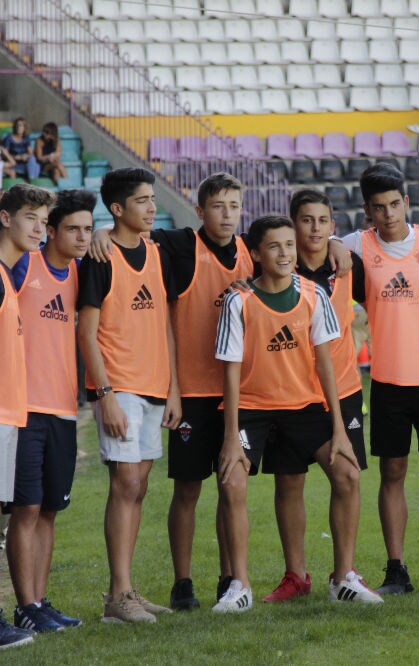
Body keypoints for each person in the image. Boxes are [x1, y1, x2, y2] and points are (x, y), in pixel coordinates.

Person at [88, 172, 352, 609]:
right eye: (217, 206)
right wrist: (100, 231)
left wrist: (337, 244)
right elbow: (128, 234)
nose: (227, 215)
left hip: (243, 393)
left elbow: (304, 248)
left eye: (234, 206)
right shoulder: (177, 246)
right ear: (200, 209)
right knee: (188, 489)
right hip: (191, 390)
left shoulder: (254, 248)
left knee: (232, 484)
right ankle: (183, 582)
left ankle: (231, 579)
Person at [0, 190, 95, 632]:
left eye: (42, 220)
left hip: (15, 411)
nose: (37, 228)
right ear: (5, 217)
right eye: (31, 218)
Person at [214, 215, 380, 612]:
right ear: (256, 253)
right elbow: (231, 373)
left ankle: (343, 579)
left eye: (289, 245)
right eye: (274, 246)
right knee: (233, 482)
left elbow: (326, 364)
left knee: (347, 472)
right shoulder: (238, 301)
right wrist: (231, 437)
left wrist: (339, 429)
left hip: (304, 406)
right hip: (253, 409)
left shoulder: (312, 293)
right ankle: (240, 586)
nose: (285, 253)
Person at [341, 163, 419, 595]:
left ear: (406, 202)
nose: (389, 213)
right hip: (389, 381)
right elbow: (319, 252)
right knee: (391, 473)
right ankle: (396, 570)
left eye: (395, 204)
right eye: (379, 207)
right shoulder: (355, 245)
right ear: (367, 211)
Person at [77, 168, 181, 623]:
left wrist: (174, 388)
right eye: (142, 200)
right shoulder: (100, 257)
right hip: (118, 386)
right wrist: (105, 395)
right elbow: (87, 331)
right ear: (118, 209)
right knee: (125, 484)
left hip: (155, 386)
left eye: (153, 199)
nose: (153, 207)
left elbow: (166, 326)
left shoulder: (158, 252)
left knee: (138, 488)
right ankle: (118, 597)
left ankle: (127, 590)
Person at [259, 189, 371, 603]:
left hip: (341, 390)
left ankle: (344, 575)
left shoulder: (347, 264)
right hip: (289, 394)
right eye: (306, 220)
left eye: (323, 221)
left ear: (333, 225)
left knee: (347, 475)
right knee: (289, 481)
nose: (316, 228)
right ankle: (296, 576)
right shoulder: (276, 266)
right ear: (293, 225)